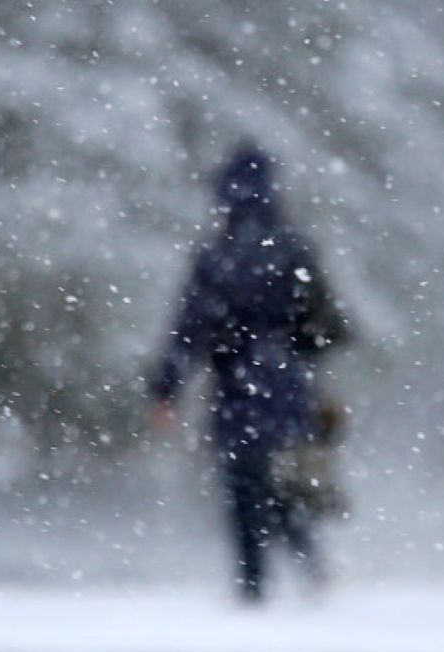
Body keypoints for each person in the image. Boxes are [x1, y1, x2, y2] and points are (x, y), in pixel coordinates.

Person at [148, 144, 346, 603]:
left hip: (236, 389)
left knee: (243, 489)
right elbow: (324, 325)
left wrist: (166, 390)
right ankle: (311, 565)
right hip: (290, 386)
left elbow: (189, 327)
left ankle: (252, 583)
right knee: (284, 487)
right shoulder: (295, 248)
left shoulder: (216, 256)